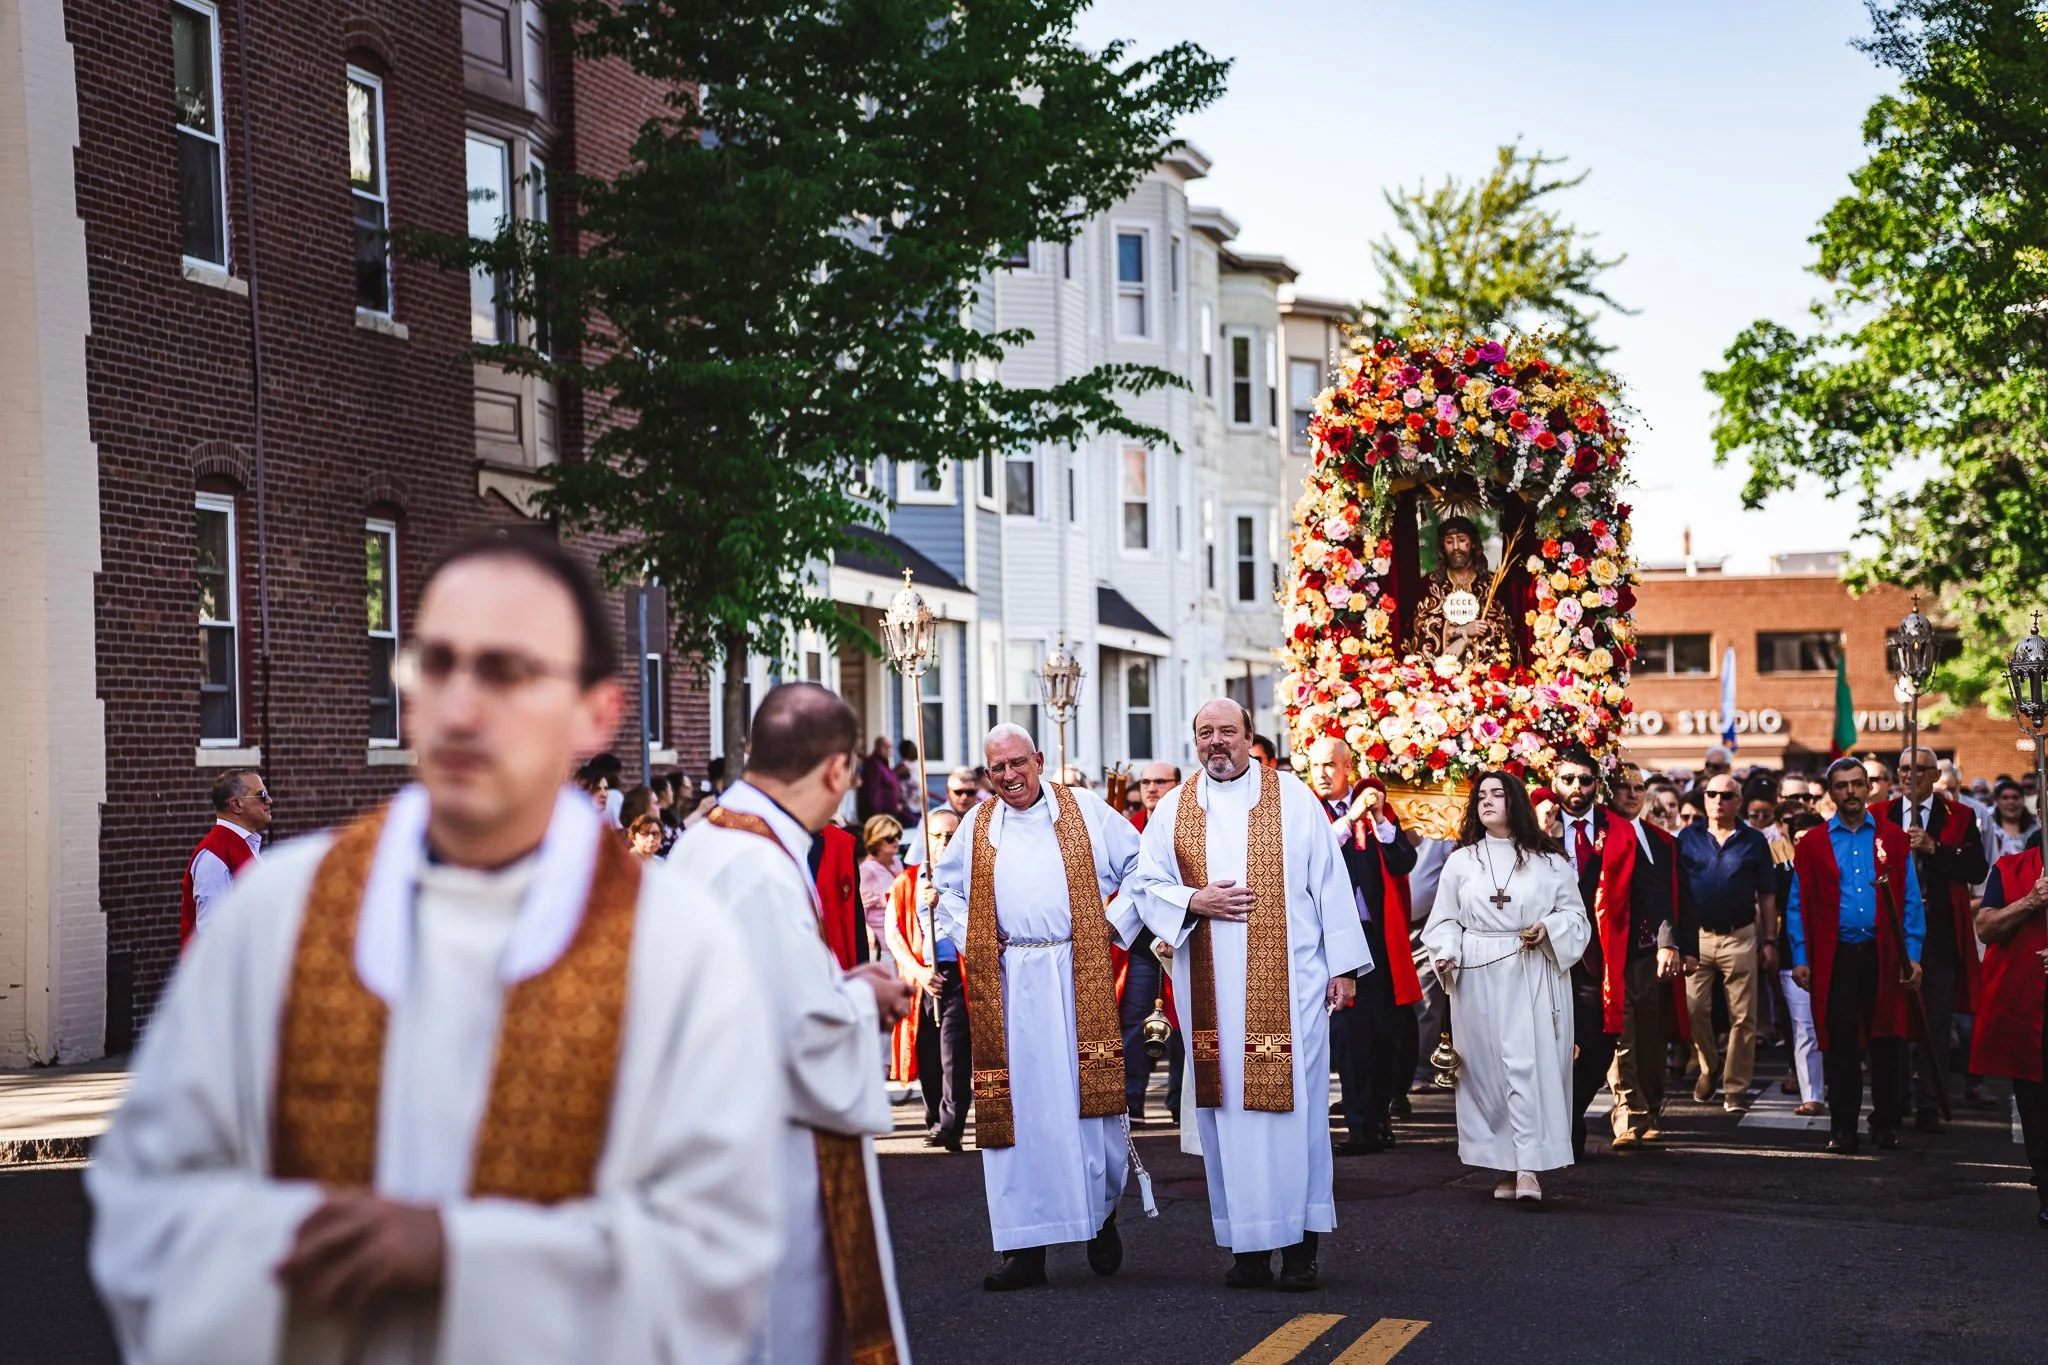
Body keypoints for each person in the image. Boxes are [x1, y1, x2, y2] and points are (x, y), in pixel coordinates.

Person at [90, 530, 784, 1364]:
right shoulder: (279, 916)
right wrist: (295, 1258)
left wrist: (461, 1256)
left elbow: (724, 1248)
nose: (460, 706)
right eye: (436, 665)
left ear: (596, 711)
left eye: (507, 671)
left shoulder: (675, 947)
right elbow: (146, 1203)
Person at [678, 681, 915, 1365]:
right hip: (765, 1156)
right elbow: (787, 1031)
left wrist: (840, 982)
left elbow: (761, 988)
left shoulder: (709, 840)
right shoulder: (758, 867)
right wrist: (863, 1003)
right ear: (838, 769)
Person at [1128, 700, 1369, 1292]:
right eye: (1205, 732)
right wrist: (1193, 902)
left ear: (1249, 737)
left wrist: (1344, 968)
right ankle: (1248, 1249)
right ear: (1195, 740)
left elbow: (1329, 882)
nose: (1217, 742)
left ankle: (1300, 1249)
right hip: (1209, 991)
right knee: (1227, 1120)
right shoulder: (1175, 809)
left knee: (1295, 1116)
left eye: (1228, 732)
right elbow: (1145, 882)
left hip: (1292, 986)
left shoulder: (1291, 798)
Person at [933, 724, 1144, 1292]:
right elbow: (945, 891)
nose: (1008, 776)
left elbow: (1142, 871)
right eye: (996, 768)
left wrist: (1110, 924)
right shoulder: (978, 826)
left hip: (1076, 975)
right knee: (1020, 1112)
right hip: (1010, 983)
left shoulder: (1085, 810)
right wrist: (973, 931)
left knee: (1087, 1107)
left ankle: (1099, 1216)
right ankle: (1025, 1247)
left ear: (1039, 759)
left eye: (1017, 763)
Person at [1422, 771, 1589, 1202]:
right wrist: (1446, 951)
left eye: (1498, 793)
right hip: (1476, 973)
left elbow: (1577, 919)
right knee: (1486, 1071)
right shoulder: (1462, 861)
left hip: (1531, 968)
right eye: (1481, 795)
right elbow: (1443, 920)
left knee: (1527, 1066)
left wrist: (1548, 928)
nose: (1488, 801)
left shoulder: (1551, 862)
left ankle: (1530, 1166)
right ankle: (1505, 1163)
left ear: (1516, 802)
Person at [1789, 756, 1926, 1154]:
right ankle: (1843, 1128)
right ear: (1831, 793)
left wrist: (1912, 955)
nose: (1850, 792)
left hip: (1885, 954)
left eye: (1857, 784)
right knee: (1842, 1046)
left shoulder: (1894, 838)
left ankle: (1884, 1124)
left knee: (1888, 1042)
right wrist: (1801, 955)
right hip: (1838, 957)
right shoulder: (1813, 843)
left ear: (1868, 788)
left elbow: (1911, 901)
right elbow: (1797, 904)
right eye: (1842, 785)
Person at [1561, 758, 1686, 1152]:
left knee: (1637, 1038)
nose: (1632, 795)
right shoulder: (1554, 825)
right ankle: (1623, 1116)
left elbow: (1663, 893)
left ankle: (1643, 1108)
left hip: (1636, 953)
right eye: (1623, 788)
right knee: (1612, 1036)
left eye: (1638, 788)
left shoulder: (1646, 837)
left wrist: (1673, 943)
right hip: (1580, 954)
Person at [1306, 738, 1419, 1155]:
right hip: (1332, 940)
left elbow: (1403, 860)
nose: (1321, 773)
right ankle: (1358, 1127)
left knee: (1386, 1031)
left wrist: (1374, 817)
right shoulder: (1308, 811)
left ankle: (1381, 1116)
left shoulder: (1374, 812)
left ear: (1348, 768)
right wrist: (1348, 818)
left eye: (1330, 765)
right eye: (1315, 765)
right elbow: (1312, 856)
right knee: (1350, 1035)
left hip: (1378, 937)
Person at [1886, 746, 1989, 1133]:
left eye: (1920, 769)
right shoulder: (1883, 814)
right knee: (1895, 1020)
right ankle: (1895, 1098)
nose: (1910, 776)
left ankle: (1930, 1101)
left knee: (1936, 1021)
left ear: (1934, 777)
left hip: (1941, 934)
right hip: (1897, 933)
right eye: (1904, 769)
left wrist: (1935, 849)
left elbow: (1976, 866)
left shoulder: (1960, 816)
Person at [1678, 773, 1777, 1112]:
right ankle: (1709, 1064)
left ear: (1739, 801)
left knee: (1743, 1017)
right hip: (1697, 936)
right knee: (1694, 1009)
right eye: (1712, 794)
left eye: (1727, 795)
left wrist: (1769, 941)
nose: (1719, 800)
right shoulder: (1686, 838)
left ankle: (1735, 1089)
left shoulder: (1755, 841)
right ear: (1704, 799)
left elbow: (1766, 894)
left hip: (1741, 934)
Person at [1969, 827, 2048, 1228]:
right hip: (2028, 1007)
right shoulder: (2010, 868)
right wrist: (2030, 901)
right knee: (2036, 1104)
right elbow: (1986, 927)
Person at [887, 810, 970, 1150]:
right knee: (927, 1052)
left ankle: (951, 1126)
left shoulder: (970, 878)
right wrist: (919, 972)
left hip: (958, 973)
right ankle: (934, 1116)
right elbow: (893, 934)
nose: (943, 843)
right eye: (937, 836)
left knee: (954, 1052)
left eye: (950, 836)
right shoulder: (906, 881)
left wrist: (945, 902)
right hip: (922, 976)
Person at [180, 766, 271, 950]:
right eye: (261, 795)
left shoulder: (244, 845)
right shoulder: (214, 855)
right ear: (237, 805)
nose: (269, 800)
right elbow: (212, 935)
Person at [1408, 515, 1518, 665]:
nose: (1456, 548)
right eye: (1449, 542)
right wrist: (1462, 631)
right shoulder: (1429, 585)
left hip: (1486, 678)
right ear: (1442, 547)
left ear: (1472, 543)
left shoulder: (1492, 585)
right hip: (1438, 678)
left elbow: (1502, 630)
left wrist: (1464, 641)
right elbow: (1422, 629)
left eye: (1461, 540)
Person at [1776, 810, 1829, 1114]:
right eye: (1799, 840)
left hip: (1836, 953)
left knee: (1836, 1022)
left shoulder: (1837, 869)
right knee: (1804, 1027)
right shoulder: (1783, 872)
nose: (1805, 845)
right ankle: (1812, 1094)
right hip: (1792, 957)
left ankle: (1835, 1083)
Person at [860, 816, 905, 968]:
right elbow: (859, 909)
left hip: (904, 941)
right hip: (883, 947)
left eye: (897, 837)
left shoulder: (896, 862)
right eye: (890, 839)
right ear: (876, 841)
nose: (896, 842)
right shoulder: (867, 870)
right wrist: (867, 931)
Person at [1985, 778, 2038, 863]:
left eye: (2015, 797)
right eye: (2005, 798)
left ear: (2023, 800)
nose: (2011, 802)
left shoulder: (2036, 826)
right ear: (1997, 801)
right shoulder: (1988, 827)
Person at [858, 736, 904, 823]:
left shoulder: (884, 765)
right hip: (880, 816)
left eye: (890, 747)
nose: (888, 750)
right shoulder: (873, 765)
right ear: (877, 747)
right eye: (885, 747)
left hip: (891, 813)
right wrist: (877, 815)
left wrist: (896, 804)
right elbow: (872, 791)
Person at [1131, 760, 1180, 834]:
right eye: (1145, 782)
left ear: (1177, 786)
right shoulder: (1132, 825)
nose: (1151, 789)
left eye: (1160, 782)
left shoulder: (1188, 823)